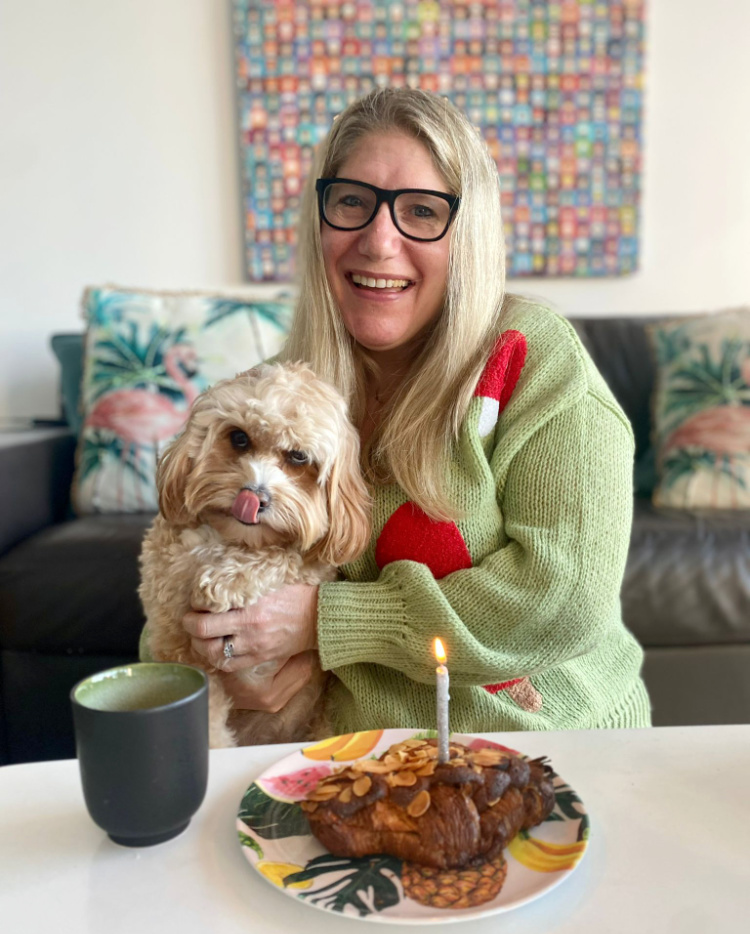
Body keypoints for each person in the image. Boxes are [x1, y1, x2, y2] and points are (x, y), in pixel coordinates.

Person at [179, 87, 651, 733]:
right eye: (352, 202)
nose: (378, 241)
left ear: (468, 235)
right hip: (346, 753)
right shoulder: (289, 391)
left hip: (538, 742)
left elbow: (563, 602)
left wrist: (325, 622)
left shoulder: (534, 358)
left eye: (422, 212)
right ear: (320, 218)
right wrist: (224, 667)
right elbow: (189, 564)